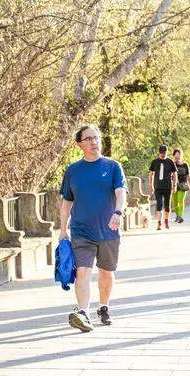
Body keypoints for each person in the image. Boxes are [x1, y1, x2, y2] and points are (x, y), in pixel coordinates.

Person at [60, 124, 127, 332]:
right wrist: (62, 230)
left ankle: (103, 307)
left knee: (106, 273)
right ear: (80, 144)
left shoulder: (112, 166)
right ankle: (83, 313)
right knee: (82, 271)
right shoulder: (73, 171)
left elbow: (121, 193)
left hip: (109, 231)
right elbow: (66, 202)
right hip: (81, 231)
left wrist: (117, 213)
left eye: (96, 137)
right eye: (88, 139)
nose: (94, 142)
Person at [149, 145, 177, 230]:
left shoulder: (170, 162)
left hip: (168, 187)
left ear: (166, 152)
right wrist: (150, 185)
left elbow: (175, 173)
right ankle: (159, 223)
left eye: (164, 153)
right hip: (157, 187)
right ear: (159, 152)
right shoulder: (155, 162)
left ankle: (166, 221)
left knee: (167, 205)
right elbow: (151, 174)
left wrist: (175, 185)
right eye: (161, 153)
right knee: (159, 205)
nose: (162, 154)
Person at [171, 148, 190, 223]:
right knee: (175, 202)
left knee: (181, 201)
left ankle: (180, 216)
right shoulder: (172, 164)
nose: (177, 156)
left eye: (179, 155)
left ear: (181, 155)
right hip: (174, 185)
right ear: (174, 156)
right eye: (176, 155)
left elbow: (188, 175)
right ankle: (177, 216)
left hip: (183, 185)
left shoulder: (185, 165)